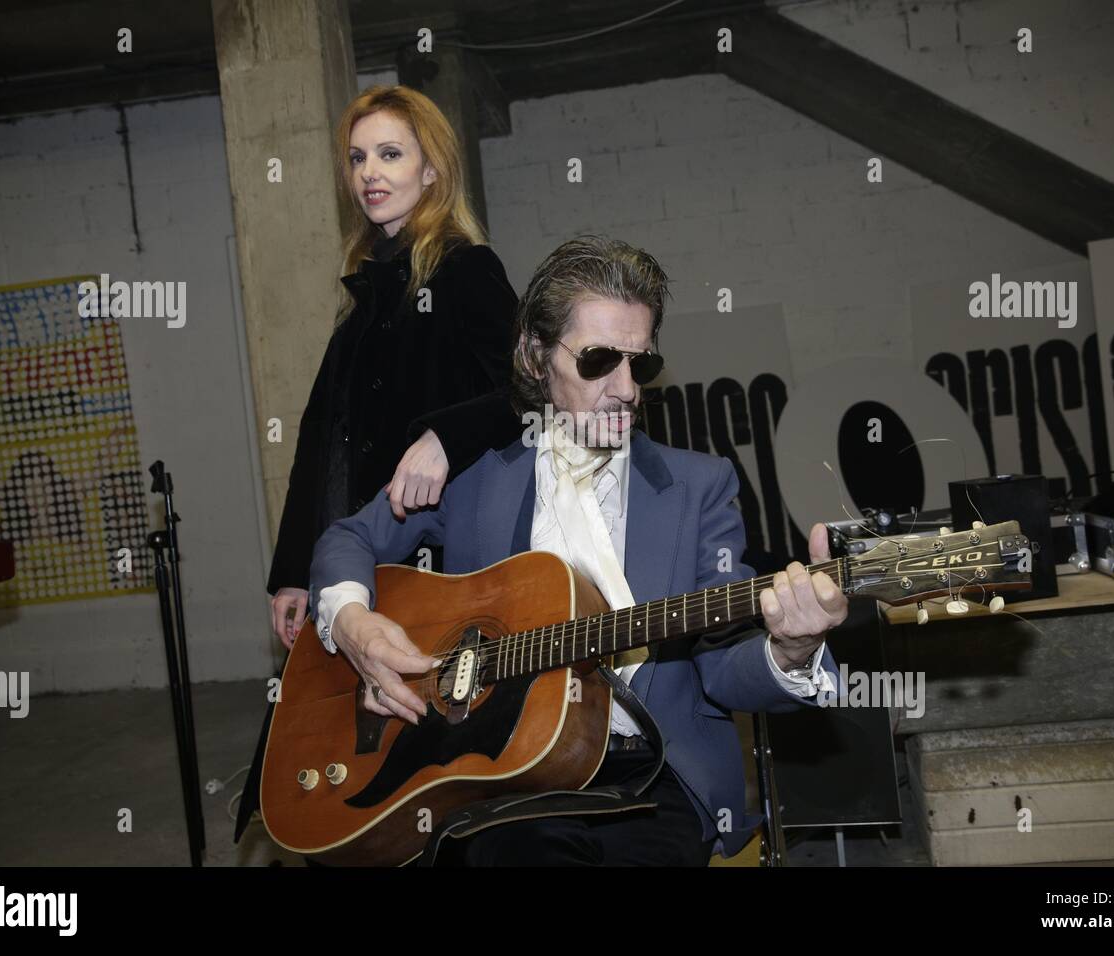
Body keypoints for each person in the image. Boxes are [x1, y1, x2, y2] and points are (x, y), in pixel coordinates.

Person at [310, 235, 849, 865]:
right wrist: (353, 624)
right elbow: (348, 537)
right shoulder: (471, 475)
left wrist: (791, 649)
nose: (626, 389)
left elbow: (721, 668)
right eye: (598, 361)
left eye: (639, 364)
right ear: (537, 356)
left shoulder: (700, 488)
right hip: (499, 780)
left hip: (652, 778)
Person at [238, 85, 521, 842]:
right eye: (359, 157)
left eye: (390, 154)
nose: (369, 171)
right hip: (362, 567)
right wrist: (298, 568)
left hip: (442, 570)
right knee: (355, 786)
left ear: (432, 171)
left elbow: (533, 388)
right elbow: (320, 441)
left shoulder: (466, 270)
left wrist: (444, 438)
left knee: (428, 776)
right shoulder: (365, 302)